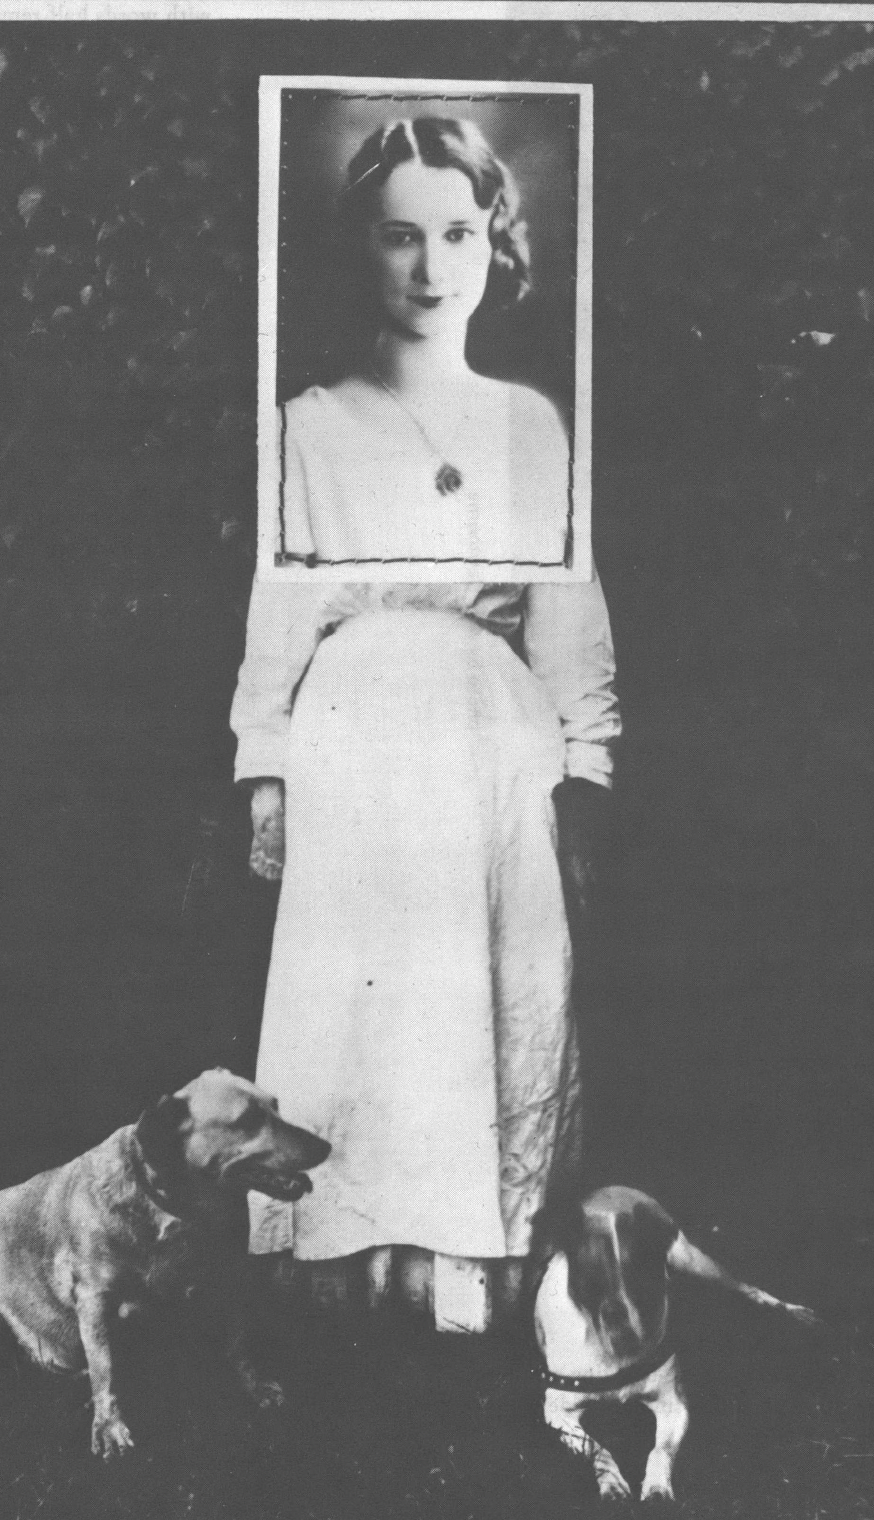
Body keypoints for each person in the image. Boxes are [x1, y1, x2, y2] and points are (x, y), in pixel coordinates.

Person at [229, 116, 620, 1328]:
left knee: (480, 994)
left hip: (486, 740)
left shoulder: (529, 424)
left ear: (491, 240)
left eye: (455, 232)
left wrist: (580, 765)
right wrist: (268, 772)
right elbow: (280, 614)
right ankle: (341, 1292)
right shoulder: (308, 425)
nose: (429, 266)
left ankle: (470, 1293)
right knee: (358, 996)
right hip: (353, 731)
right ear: (362, 250)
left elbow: (564, 616)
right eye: (399, 236)